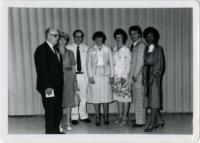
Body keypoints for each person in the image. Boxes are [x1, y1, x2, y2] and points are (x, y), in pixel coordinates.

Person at [34, 27, 64, 134]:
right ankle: (50, 133)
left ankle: (55, 131)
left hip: (58, 87)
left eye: (58, 35)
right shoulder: (41, 49)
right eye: (55, 35)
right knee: (50, 111)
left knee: (57, 110)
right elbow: (42, 71)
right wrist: (48, 87)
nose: (58, 38)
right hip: (49, 87)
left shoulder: (55, 50)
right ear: (48, 36)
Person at [86, 31, 114, 126]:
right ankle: (97, 116)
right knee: (96, 97)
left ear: (103, 39)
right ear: (94, 39)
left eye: (100, 38)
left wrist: (112, 76)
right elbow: (88, 64)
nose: (99, 40)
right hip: (95, 74)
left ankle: (105, 116)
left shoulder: (108, 49)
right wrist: (90, 76)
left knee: (105, 96)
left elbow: (111, 63)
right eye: (97, 38)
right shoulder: (91, 49)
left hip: (106, 73)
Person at [142, 27, 165, 132]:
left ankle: (152, 123)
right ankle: (160, 120)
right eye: (147, 36)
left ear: (155, 37)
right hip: (147, 75)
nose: (149, 38)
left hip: (155, 77)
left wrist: (152, 77)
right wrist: (144, 77)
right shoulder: (146, 48)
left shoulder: (158, 49)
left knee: (154, 100)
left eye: (151, 36)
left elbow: (159, 65)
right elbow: (144, 64)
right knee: (150, 100)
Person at [66, 29, 91, 125]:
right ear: (73, 37)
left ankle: (83, 115)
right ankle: (74, 116)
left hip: (84, 76)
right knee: (73, 96)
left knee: (84, 97)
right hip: (72, 75)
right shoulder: (68, 48)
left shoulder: (87, 48)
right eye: (76, 36)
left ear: (82, 38)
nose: (78, 38)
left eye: (80, 36)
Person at [57, 31, 78, 131]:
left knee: (68, 101)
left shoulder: (70, 52)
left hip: (69, 78)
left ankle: (68, 122)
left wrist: (75, 82)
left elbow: (74, 69)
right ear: (57, 40)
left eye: (64, 39)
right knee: (59, 102)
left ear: (67, 41)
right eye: (60, 39)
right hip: (57, 78)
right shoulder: (54, 51)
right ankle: (59, 123)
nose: (62, 41)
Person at [112, 28, 132, 126]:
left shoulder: (126, 49)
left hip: (124, 77)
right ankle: (120, 116)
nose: (118, 39)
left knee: (125, 99)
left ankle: (125, 117)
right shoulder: (114, 49)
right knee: (118, 98)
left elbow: (128, 63)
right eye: (116, 37)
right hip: (116, 77)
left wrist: (125, 76)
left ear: (123, 38)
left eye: (120, 37)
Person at [129, 25, 146, 127]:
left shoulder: (141, 45)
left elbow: (140, 61)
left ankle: (140, 122)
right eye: (131, 34)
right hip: (135, 77)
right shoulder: (135, 45)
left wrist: (134, 75)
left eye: (135, 33)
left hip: (138, 77)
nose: (133, 36)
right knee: (137, 98)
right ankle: (138, 118)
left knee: (140, 99)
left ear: (139, 34)